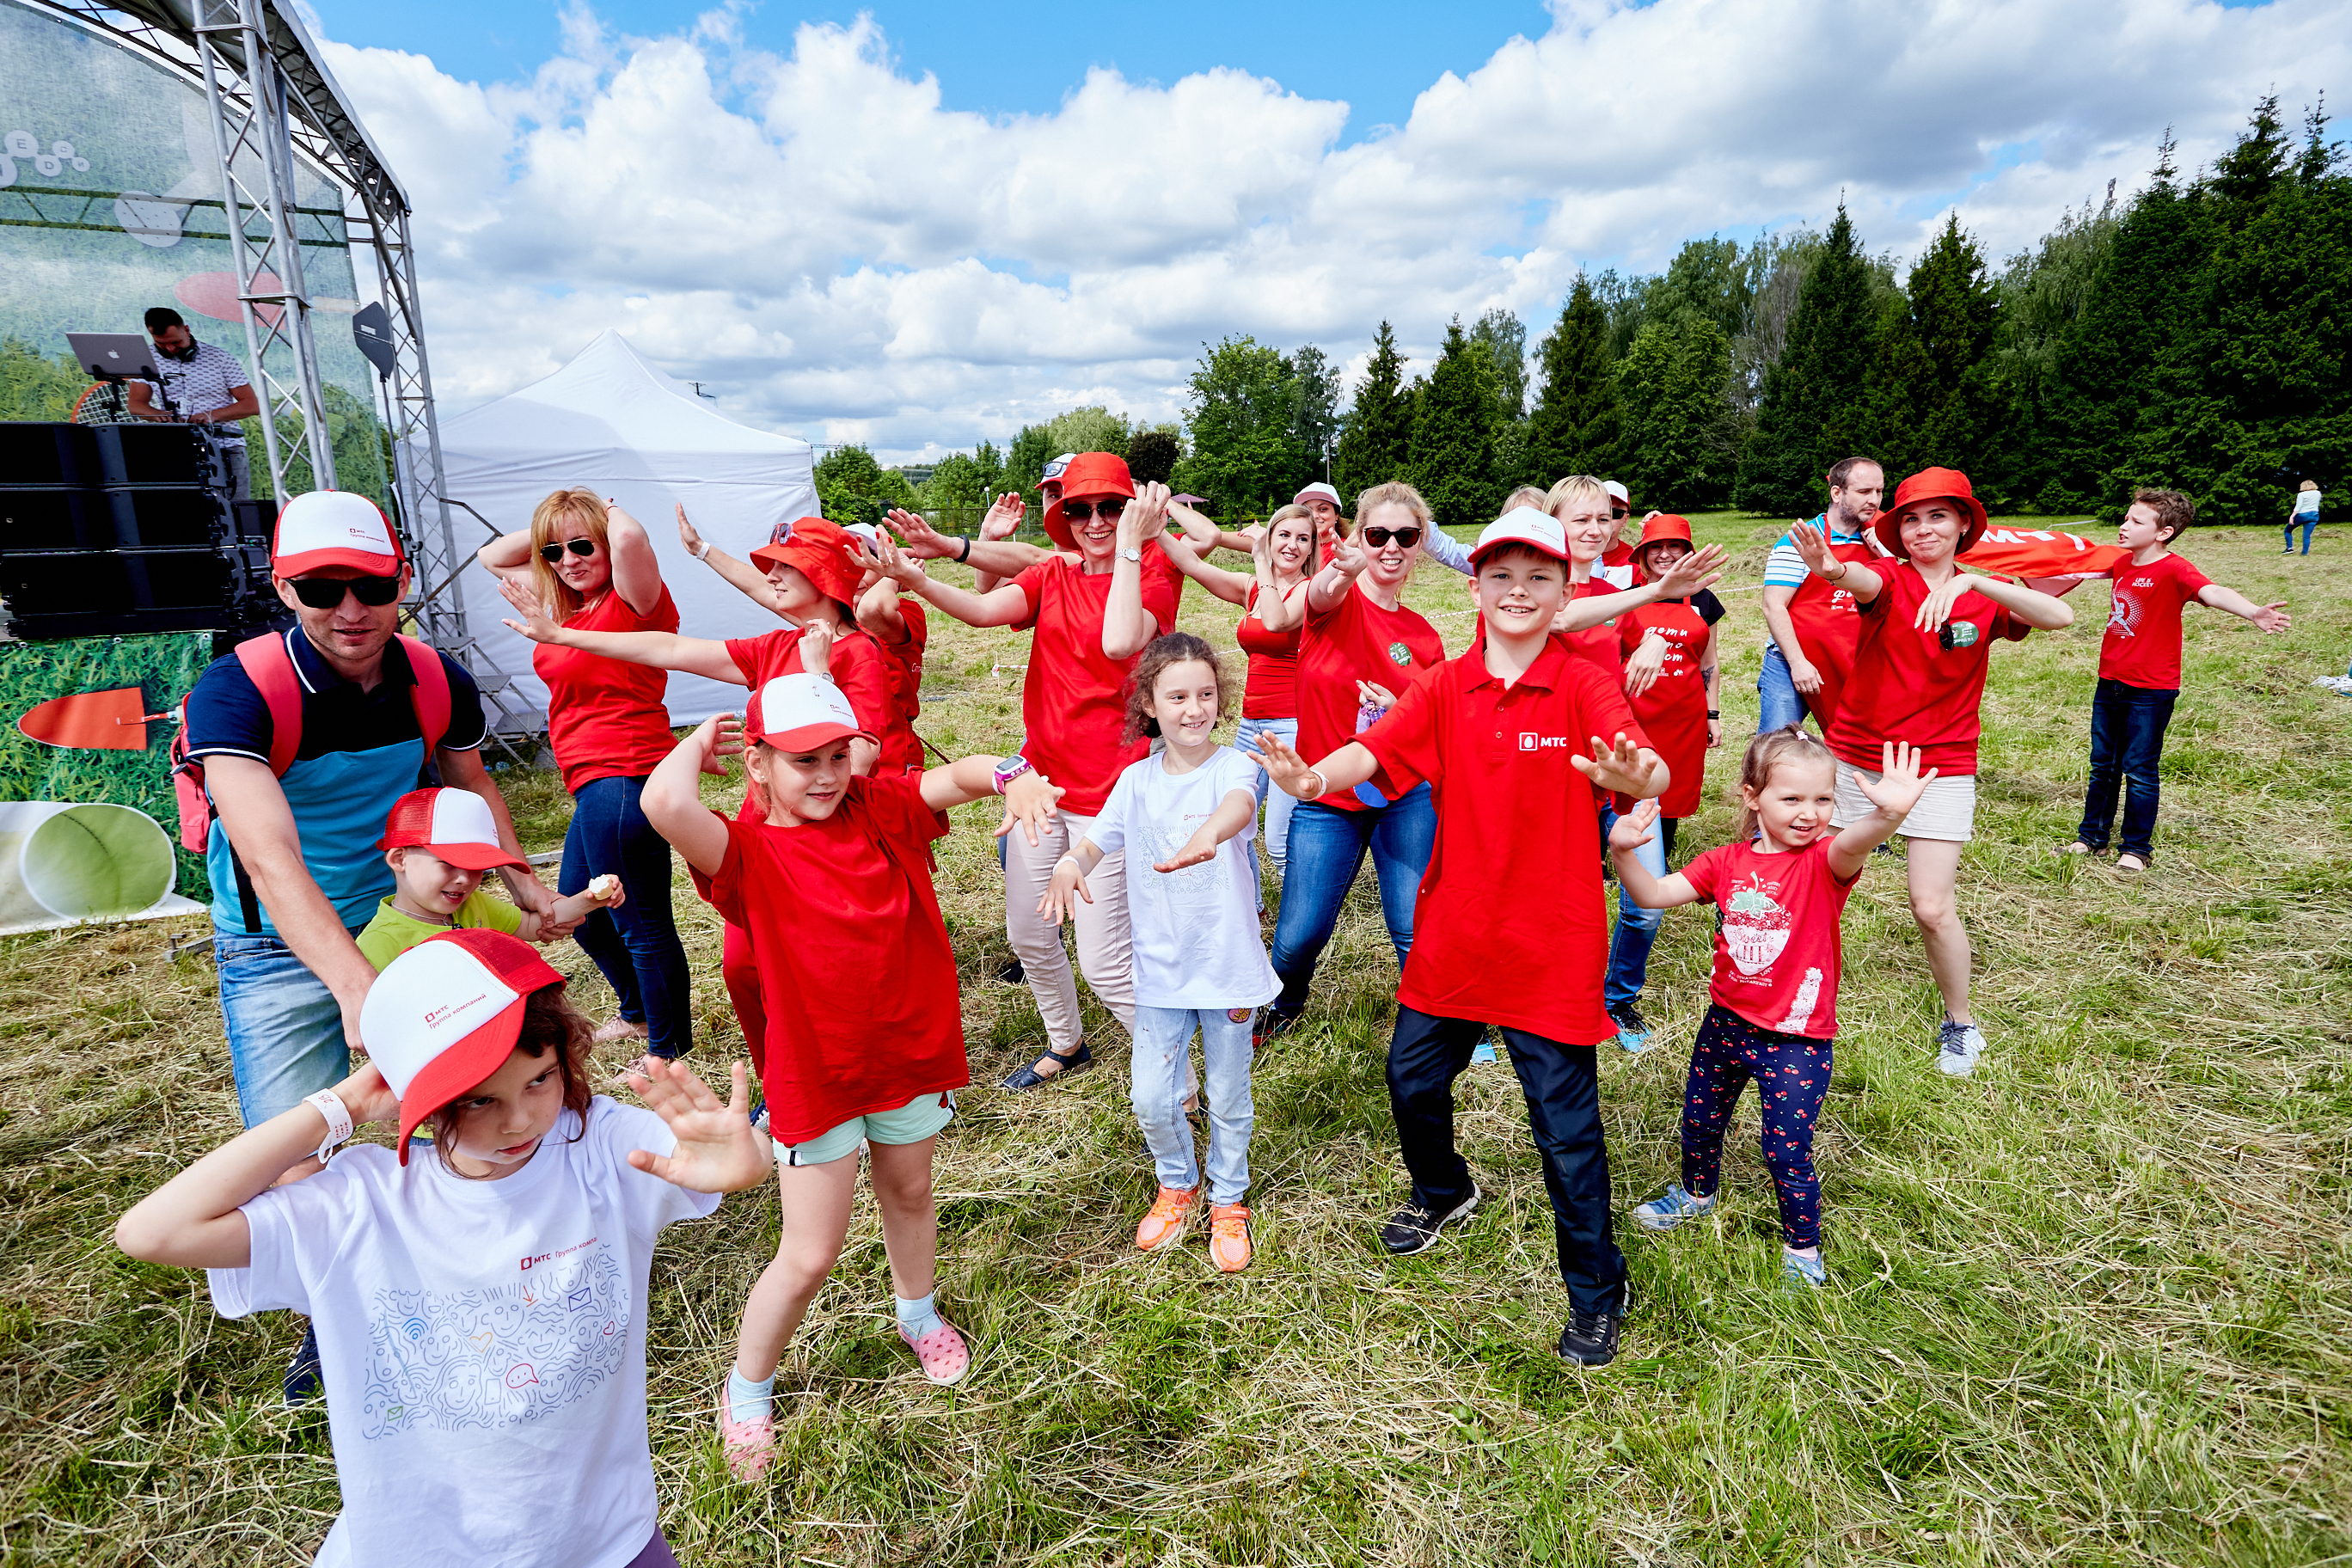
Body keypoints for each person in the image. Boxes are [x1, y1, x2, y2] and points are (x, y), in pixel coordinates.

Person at [113, 928, 771, 1567]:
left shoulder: (594, 1145)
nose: (519, 1119)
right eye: (480, 1099)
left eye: (539, 1080)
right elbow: (154, 1232)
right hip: (425, 1548)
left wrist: (747, 1162)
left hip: (606, 1535)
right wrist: (340, 1104)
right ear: (416, 1097)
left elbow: (715, 1160)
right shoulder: (361, 1207)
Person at [1251, 504, 1669, 1367]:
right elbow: (1376, 752)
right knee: (1409, 1076)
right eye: (1502, 576)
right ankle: (1444, 1191)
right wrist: (1314, 773)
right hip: (1457, 931)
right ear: (1476, 584)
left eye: (1539, 578)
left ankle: (1599, 1289)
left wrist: (1640, 775)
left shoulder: (1582, 683)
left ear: (1564, 592)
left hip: (1549, 943)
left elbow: (1642, 761)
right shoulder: (1444, 683)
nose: (1519, 591)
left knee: (1566, 1130)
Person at [641, 676, 1063, 1478]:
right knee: (810, 1253)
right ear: (759, 765)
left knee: (909, 1192)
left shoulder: (881, 809)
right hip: (819, 1079)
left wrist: (1016, 773)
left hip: (905, 1056)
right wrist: (698, 743)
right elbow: (665, 806)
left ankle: (918, 1313)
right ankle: (748, 1387)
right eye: (803, 760)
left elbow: (963, 774)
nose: (828, 774)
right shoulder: (746, 853)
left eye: (838, 754)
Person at [183, 490, 550, 1400]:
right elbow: (268, 859)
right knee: (298, 1136)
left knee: (456, 1102)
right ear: (283, 586)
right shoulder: (237, 690)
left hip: (409, 915)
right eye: (321, 586)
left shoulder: (435, 678)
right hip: (278, 944)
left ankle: (466, 1266)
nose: (350, 609)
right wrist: (356, 987)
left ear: (403, 580)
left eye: (371, 583)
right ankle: (332, 1320)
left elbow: (469, 788)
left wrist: (521, 885)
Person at [499, 515, 899, 1083]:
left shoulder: (857, 654)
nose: (773, 578)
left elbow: (857, 760)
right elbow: (668, 646)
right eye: (775, 567)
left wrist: (819, 680)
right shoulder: (774, 646)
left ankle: (847, 1081)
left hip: (825, 847)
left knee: (818, 968)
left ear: (826, 576)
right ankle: (781, 1085)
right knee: (742, 967)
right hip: (765, 837)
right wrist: (560, 635)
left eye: (789, 568)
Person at [869, 456, 1180, 1092]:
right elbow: (984, 612)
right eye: (1080, 509)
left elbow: (1122, 643)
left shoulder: (1149, 577)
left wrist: (1128, 546)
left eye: (1110, 508)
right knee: (1030, 934)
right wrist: (919, 581)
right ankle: (1067, 1043)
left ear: (1132, 513)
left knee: (1105, 965)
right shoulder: (1053, 575)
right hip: (1040, 787)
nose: (1095, 521)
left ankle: (1178, 1082)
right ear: (1063, 517)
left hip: (1111, 798)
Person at [1616, 732, 1933, 1289]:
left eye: (1823, 800)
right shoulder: (1724, 863)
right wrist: (1623, 852)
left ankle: (1802, 1247)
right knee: (1699, 1122)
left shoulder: (1824, 861)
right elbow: (1652, 895)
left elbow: (1854, 842)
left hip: (1797, 1040)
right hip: (1725, 1026)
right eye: (1792, 799)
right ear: (1751, 796)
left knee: (1785, 1148)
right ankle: (1695, 1195)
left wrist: (1888, 817)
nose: (1810, 814)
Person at [1789, 467, 2073, 1078]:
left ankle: (1961, 1025)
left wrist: (1981, 584)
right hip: (1860, 758)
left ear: (1964, 523)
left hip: (1941, 766)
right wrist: (1832, 570)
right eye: (1911, 519)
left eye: (1937, 517)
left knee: (1930, 906)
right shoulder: (1888, 579)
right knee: (1815, 886)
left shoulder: (1983, 590)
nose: (1922, 529)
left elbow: (2059, 618)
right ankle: (1792, 999)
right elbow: (1857, 579)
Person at [1041, 634, 1275, 1271]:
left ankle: (1229, 1199)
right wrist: (1069, 860)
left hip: (1226, 970)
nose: (1194, 708)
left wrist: (1209, 832)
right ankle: (1178, 1182)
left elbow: (1238, 805)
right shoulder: (1135, 781)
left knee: (1228, 1097)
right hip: (1162, 974)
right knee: (1151, 1096)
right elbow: (1097, 843)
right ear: (1150, 703)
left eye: (1206, 694)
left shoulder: (1234, 765)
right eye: (1178, 696)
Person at [477, 491, 694, 1065]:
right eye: (554, 550)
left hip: (625, 774)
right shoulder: (567, 609)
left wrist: (602, 503)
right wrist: (555, 527)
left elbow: (626, 539)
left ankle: (667, 1053)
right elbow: (492, 556)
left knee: (642, 923)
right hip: (595, 783)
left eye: (581, 545)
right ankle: (640, 1013)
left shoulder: (634, 601)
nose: (568, 559)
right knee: (584, 920)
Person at [1537, 475, 1727, 1052]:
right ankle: (1526, 1000)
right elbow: (1565, 620)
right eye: (1581, 520)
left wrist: (1649, 643)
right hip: (1551, 766)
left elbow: (1651, 642)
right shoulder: (1537, 581)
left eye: (1604, 518)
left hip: (1618, 764)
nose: (1595, 529)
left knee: (1645, 904)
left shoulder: (1615, 588)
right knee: (1549, 902)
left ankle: (1617, 999)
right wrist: (1649, 600)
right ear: (1554, 526)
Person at [1250, 481, 1445, 1041]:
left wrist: (1402, 708)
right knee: (1299, 935)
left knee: (1412, 925)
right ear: (1360, 536)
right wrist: (1341, 569)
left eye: (1404, 536)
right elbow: (1322, 594)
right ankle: (1284, 1006)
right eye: (1378, 533)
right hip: (1326, 796)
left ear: (1418, 544)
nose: (1390, 546)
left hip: (1403, 797)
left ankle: (1433, 1023)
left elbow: (1439, 720)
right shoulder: (1332, 597)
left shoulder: (1425, 637)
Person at [2065, 488, 2289, 870]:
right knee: (2103, 764)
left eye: (2136, 521)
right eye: (2126, 517)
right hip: (2110, 682)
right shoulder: (2122, 564)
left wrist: (2253, 612)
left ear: (2163, 533)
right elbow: (2073, 564)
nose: (2124, 525)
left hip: (2150, 690)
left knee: (2138, 768)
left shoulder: (2174, 569)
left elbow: (2211, 590)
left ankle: (2135, 849)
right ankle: (2092, 838)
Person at [1600, 513, 1724, 1038]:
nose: (1667, 555)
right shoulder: (1623, 595)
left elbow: (1709, 659)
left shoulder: (1704, 602)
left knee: (1668, 811)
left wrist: (1713, 714)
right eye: (1658, 547)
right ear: (1643, 553)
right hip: (1629, 730)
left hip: (1682, 724)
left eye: (1677, 547)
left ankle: (1618, 999)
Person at [1149, 503, 1317, 880]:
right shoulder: (1252, 588)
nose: (1292, 546)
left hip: (1291, 725)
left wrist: (1260, 559)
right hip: (1250, 725)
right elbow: (1193, 565)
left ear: (1311, 549)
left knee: (1277, 840)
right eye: (1284, 535)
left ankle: (1303, 923)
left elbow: (1276, 621)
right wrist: (1154, 528)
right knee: (1232, 827)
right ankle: (1254, 906)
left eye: (1302, 539)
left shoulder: (1310, 590)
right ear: (1271, 538)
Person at [357, 787, 623, 969]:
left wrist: (591, 900)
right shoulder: (379, 943)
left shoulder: (474, 905)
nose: (464, 879)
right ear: (398, 859)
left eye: (476, 866)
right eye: (449, 863)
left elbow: (534, 924)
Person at [1758, 459, 1885, 732]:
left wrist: (1886, 555)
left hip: (1851, 660)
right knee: (1775, 746)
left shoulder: (1880, 542)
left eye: (1879, 491)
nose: (1874, 500)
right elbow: (1773, 606)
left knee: (1856, 745)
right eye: (1864, 492)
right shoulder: (1801, 542)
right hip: (1791, 662)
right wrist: (1798, 663)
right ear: (1837, 493)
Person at [124, 306, 260, 499]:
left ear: (187, 330)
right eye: (162, 344)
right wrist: (164, 417)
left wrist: (209, 417)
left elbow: (251, 405)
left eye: (177, 342)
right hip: (178, 447)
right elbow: (136, 404)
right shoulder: (147, 360)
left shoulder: (219, 358)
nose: (171, 349)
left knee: (233, 509)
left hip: (225, 446)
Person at [2286, 479, 2323, 555]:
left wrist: (2292, 516)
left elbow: (2298, 507)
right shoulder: (2318, 493)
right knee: (2307, 536)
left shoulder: (2301, 495)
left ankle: (2289, 548)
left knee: (2288, 530)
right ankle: (2304, 553)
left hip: (2303, 515)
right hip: (2314, 515)